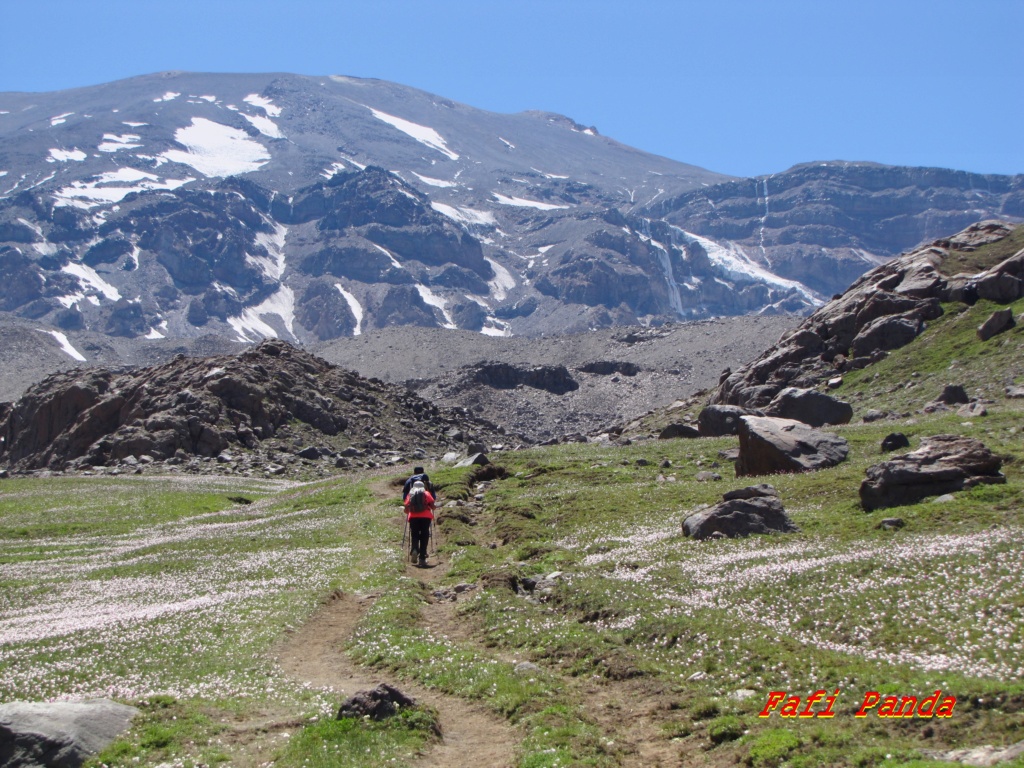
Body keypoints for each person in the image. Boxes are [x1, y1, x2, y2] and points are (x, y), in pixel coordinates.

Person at [404, 480, 435, 567]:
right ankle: (422, 557)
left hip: (413, 517)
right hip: (426, 517)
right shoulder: (426, 493)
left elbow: (406, 509)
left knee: (415, 534)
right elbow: (433, 506)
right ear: (423, 486)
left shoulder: (410, 494)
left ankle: (414, 549)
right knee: (424, 535)